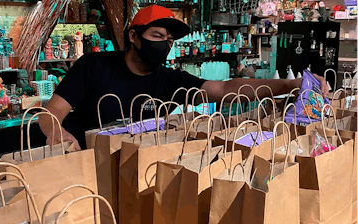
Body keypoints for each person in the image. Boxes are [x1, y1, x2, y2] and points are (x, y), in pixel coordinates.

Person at [39, 4, 329, 150]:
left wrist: (290, 85)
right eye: (156, 35)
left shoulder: (169, 80)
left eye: (168, 40)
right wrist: (57, 133)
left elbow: (227, 88)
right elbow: (51, 112)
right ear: (133, 36)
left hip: (133, 166)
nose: (164, 44)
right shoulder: (94, 65)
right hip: (82, 159)